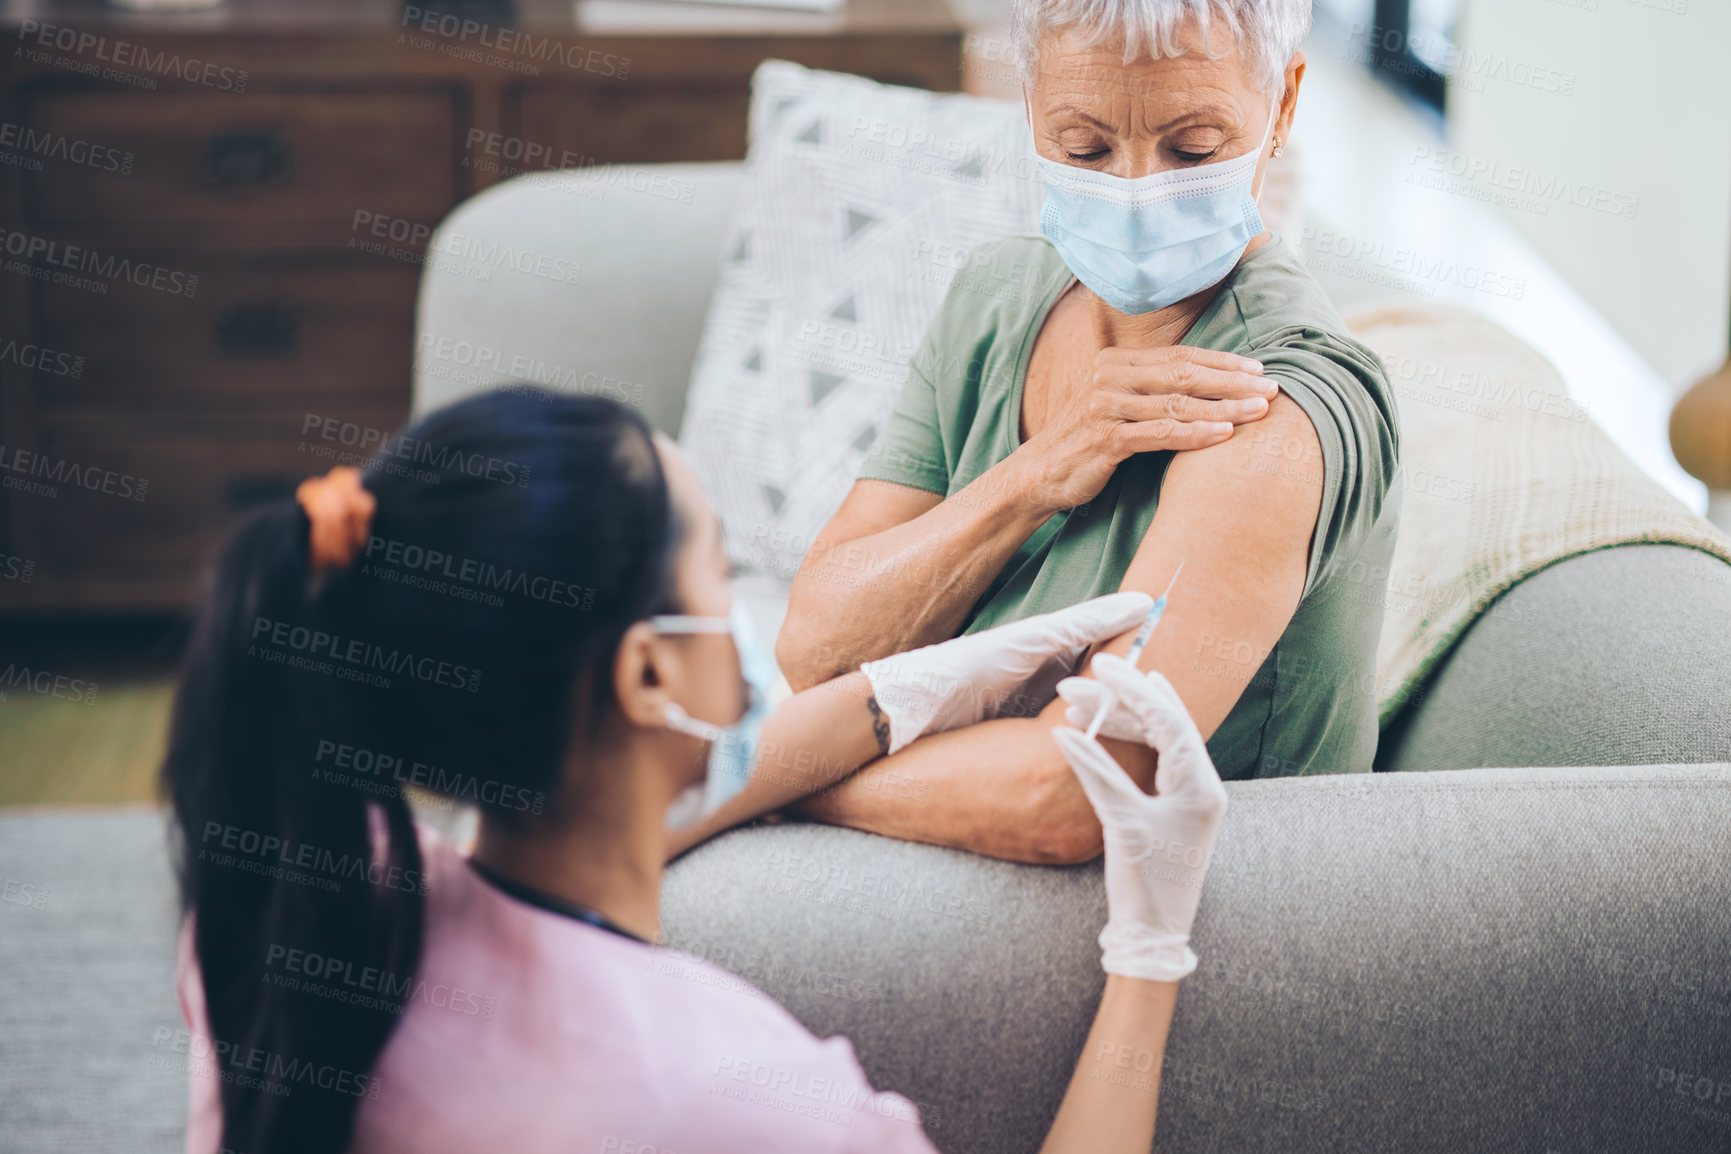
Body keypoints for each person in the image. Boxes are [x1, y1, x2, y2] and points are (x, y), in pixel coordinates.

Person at [162, 390, 1227, 1154]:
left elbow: (588, 829)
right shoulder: (747, 1100)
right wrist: (1149, 949)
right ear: (647, 669)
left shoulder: (301, 912)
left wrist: (892, 693)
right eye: (718, 566)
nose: (743, 612)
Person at [768, 0, 1402, 865]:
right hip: (932, 860)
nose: (1137, 191)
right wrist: (1036, 473)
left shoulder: (1270, 401)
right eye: (1084, 148)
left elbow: (1077, 790)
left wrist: (771, 773)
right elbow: (816, 647)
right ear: (1029, 108)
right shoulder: (997, 296)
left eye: (1192, 149)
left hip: (1211, 926)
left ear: (1282, 105)